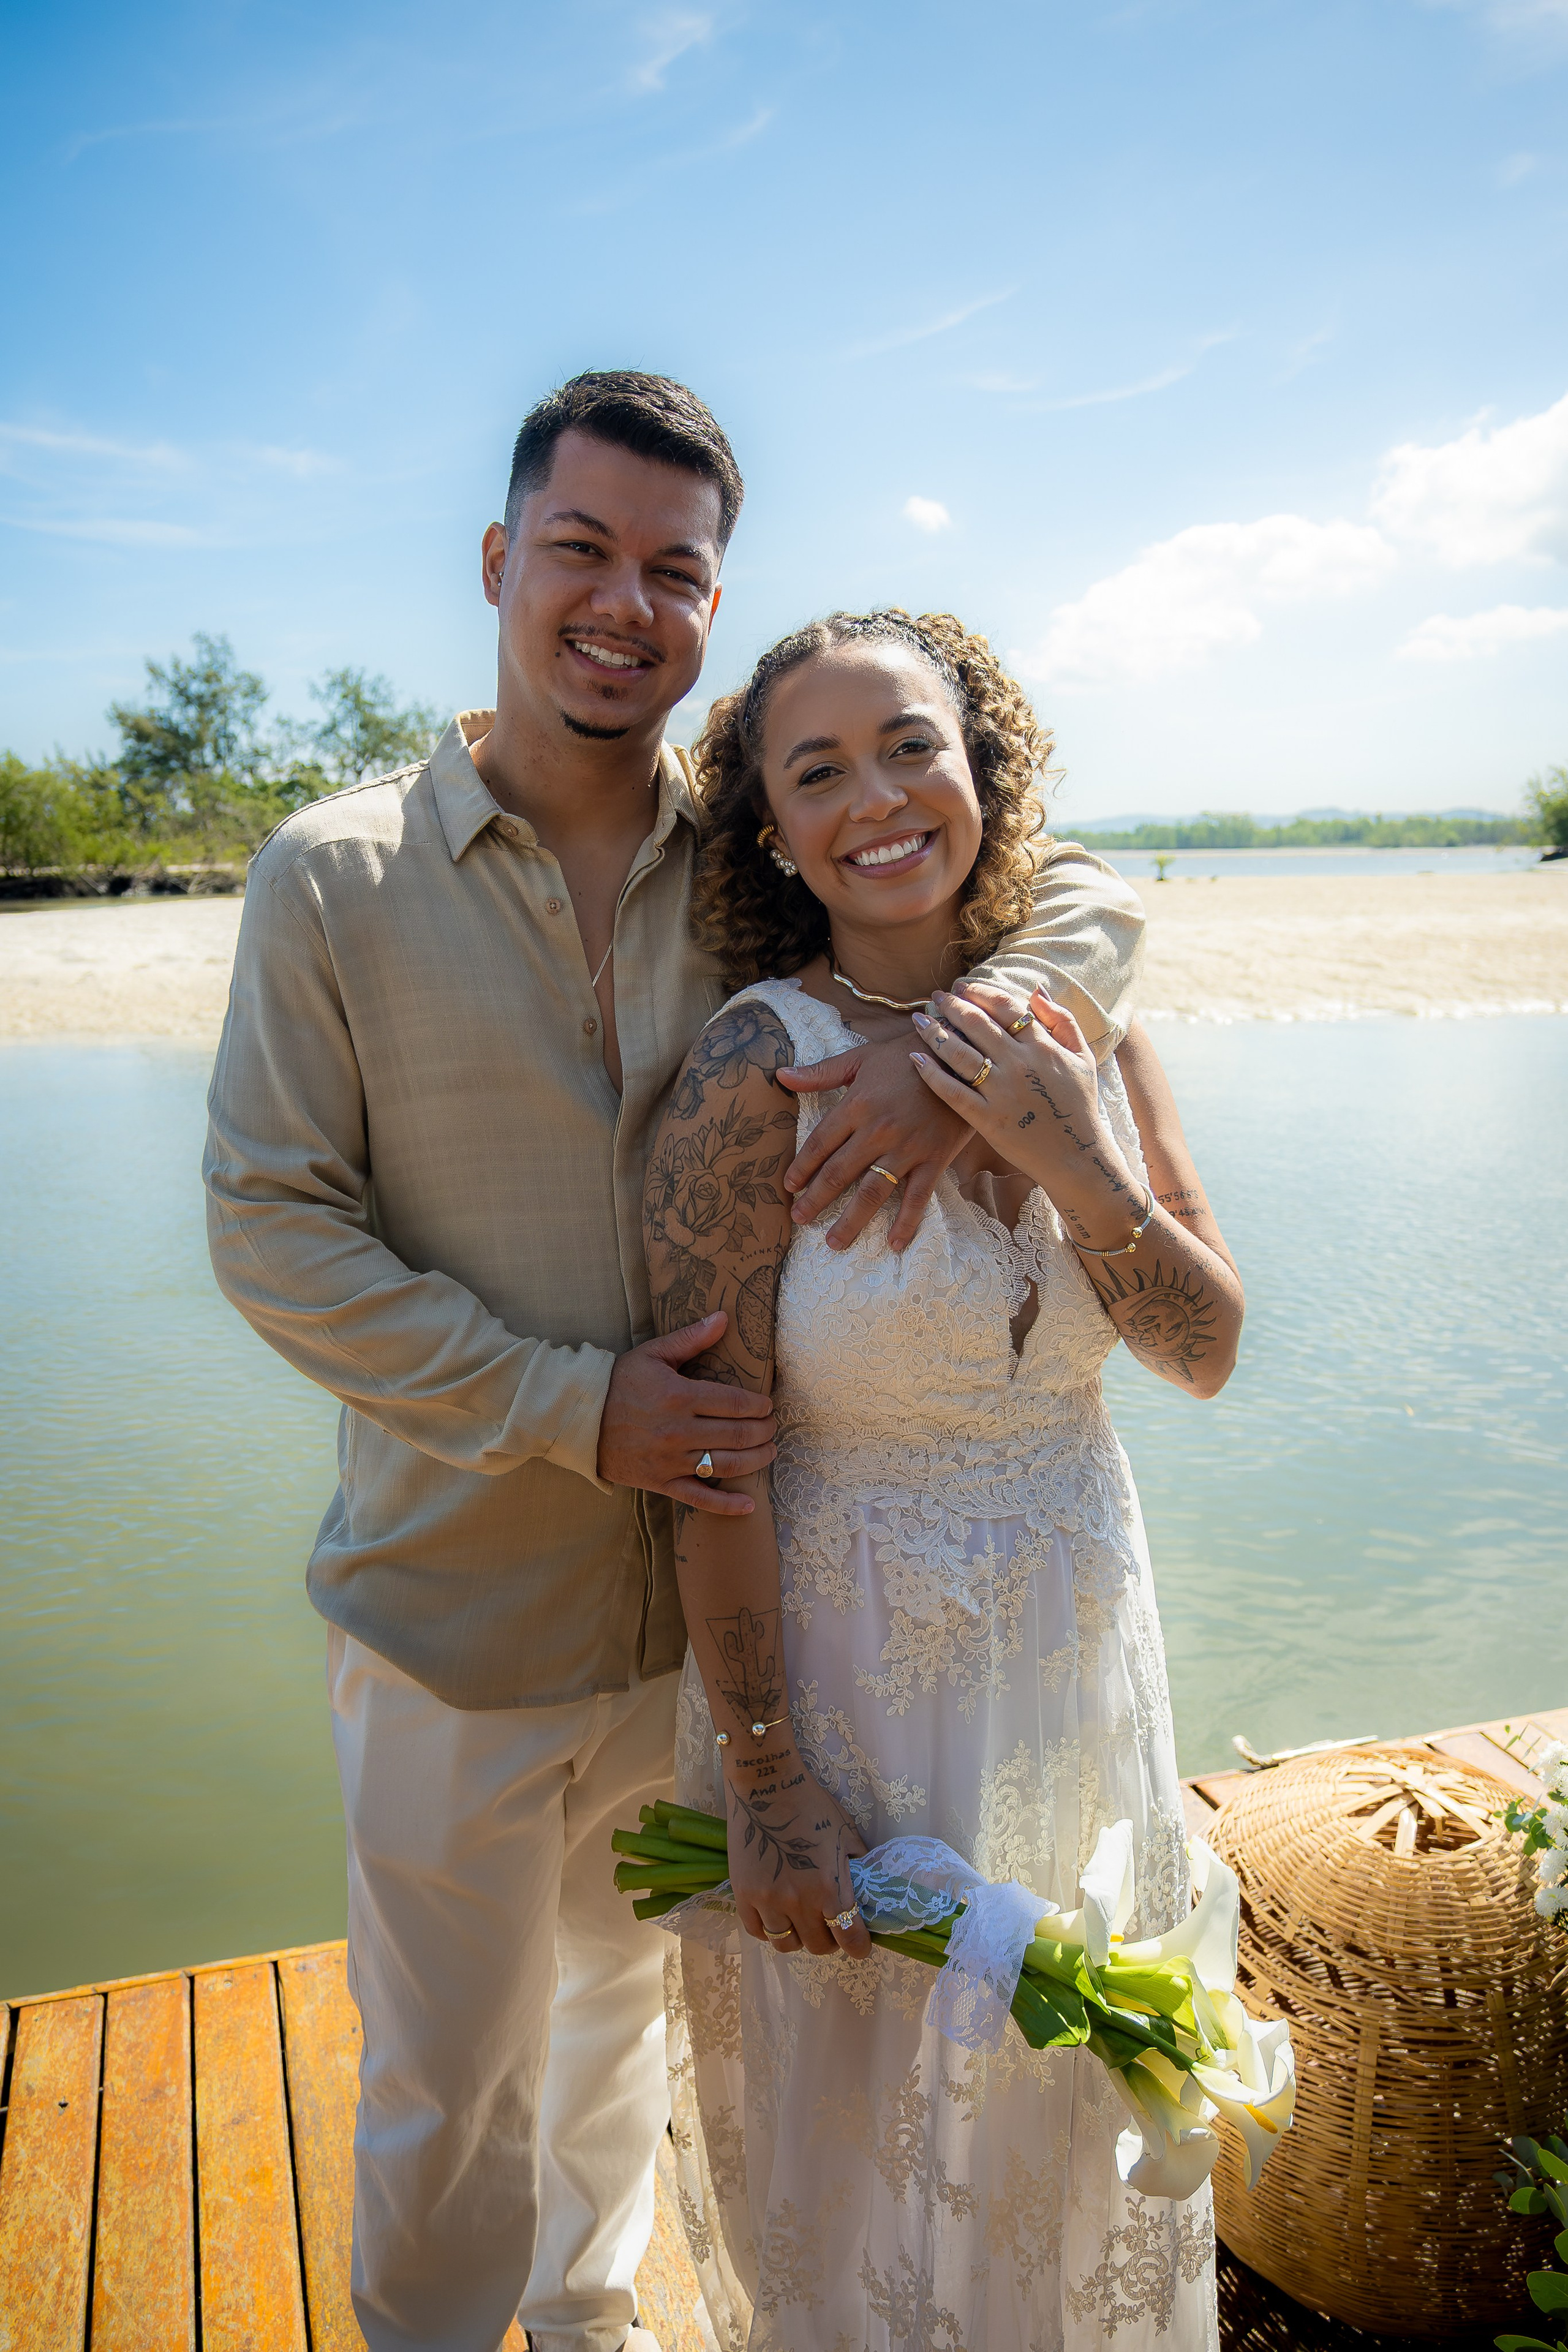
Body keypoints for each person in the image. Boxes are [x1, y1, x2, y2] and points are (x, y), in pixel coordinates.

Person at [204, 373, 1147, 2352]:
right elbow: (270, 1232)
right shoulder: (333, 872)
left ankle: (598, 2319)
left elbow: (1082, 885)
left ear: (715, 610)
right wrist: (580, 1406)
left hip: (723, 1620)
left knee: (626, 2026)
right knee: (443, 2083)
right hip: (456, 1600)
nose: (623, 602)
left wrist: (957, 1033)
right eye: (583, 550)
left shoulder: (755, 856)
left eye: (676, 570)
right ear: (498, 561)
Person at [649, 609, 1243, 2350]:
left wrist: (1071, 1157)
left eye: (915, 744)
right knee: (872, 2179)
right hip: (847, 1690)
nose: (880, 797)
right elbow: (709, 1456)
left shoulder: (1093, 1037)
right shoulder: (755, 1076)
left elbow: (1201, 1354)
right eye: (815, 769)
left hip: (1073, 1657)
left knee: (1069, 2135)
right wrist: (766, 1780)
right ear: (769, 828)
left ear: (987, 765)